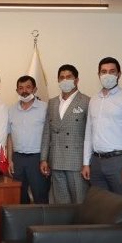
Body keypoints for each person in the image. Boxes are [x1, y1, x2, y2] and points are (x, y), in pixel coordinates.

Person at [83, 57, 122, 196]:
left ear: (119, 74)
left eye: (112, 71)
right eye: (104, 71)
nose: (107, 75)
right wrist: (86, 163)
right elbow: (89, 133)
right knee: (100, 203)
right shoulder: (94, 100)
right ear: (99, 75)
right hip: (96, 161)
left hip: (119, 162)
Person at [40, 64, 90, 203]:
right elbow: (47, 133)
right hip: (55, 160)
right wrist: (43, 159)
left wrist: (87, 163)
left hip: (76, 162)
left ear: (76, 80)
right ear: (58, 80)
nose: (65, 80)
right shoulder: (52, 102)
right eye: (62, 77)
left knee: (79, 201)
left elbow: (90, 135)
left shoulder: (86, 101)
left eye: (69, 77)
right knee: (60, 204)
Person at [5, 75, 49, 203]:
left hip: (37, 158)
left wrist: (46, 159)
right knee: (19, 196)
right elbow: (9, 136)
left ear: (34, 89)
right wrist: (10, 160)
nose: (24, 91)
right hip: (17, 159)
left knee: (40, 195)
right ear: (17, 91)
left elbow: (49, 135)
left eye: (28, 87)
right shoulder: (11, 110)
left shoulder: (45, 108)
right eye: (21, 88)